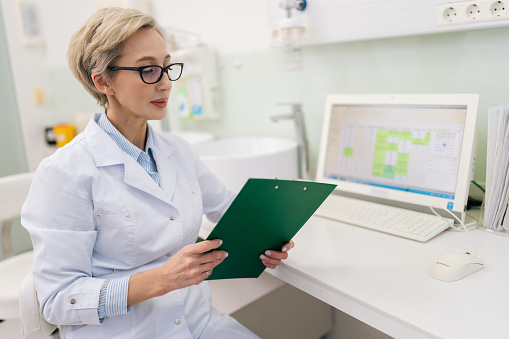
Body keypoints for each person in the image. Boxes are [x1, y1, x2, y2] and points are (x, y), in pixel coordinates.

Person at [21, 7, 294, 339]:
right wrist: (163, 279)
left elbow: (230, 210)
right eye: (148, 70)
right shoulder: (65, 172)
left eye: (167, 67)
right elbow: (59, 299)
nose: (165, 83)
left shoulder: (176, 151)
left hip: (200, 323)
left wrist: (266, 237)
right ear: (103, 80)